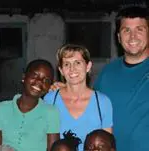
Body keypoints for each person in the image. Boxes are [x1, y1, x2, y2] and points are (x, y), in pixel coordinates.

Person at [93, 5, 149, 151]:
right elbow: (90, 104)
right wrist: (66, 89)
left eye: (140, 30)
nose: (133, 37)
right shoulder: (107, 72)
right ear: (118, 37)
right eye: (126, 30)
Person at [44, 44, 113, 151]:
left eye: (78, 63)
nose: (72, 69)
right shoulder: (50, 99)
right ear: (61, 70)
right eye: (67, 64)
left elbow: (107, 144)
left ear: (88, 66)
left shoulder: (103, 102)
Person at [0, 59, 60, 151]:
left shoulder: (51, 112)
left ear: (49, 86)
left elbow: (53, 148)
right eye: (35, 75)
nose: (39, 82)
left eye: (46, 80)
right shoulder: (1, 109)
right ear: (24, 77)